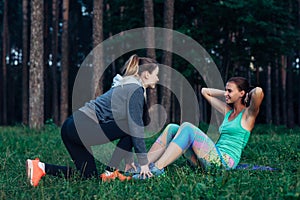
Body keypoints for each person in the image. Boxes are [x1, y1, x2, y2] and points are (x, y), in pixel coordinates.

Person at [26, 54, 160, 186]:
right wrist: (144, 164)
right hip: (81, 127)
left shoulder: (127, 86)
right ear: (147, 74)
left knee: (88, 177)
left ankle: (40, 167)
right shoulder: (135, 89)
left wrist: (129, 159)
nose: (158, 79)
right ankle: (110, 172)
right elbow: (134, 128)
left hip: (70, 127)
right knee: (134, 127)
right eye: (156, 74)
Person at [131, 77, 264, 179]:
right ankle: (144, 165)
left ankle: (158, 169)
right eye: (226, 90)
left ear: (241, 93)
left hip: (224, 164)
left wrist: (247, 94)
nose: (226, 94)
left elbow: (258, 92)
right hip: (211, 159)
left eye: (230, 91)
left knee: (188, 128)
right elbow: (205, 92)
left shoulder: (248, 116)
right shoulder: (228, 112)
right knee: (172, 128)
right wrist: (226, 93)